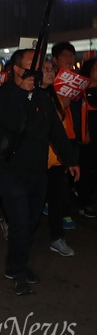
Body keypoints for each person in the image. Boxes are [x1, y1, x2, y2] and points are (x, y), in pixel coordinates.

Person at [0, 49, 79, 296]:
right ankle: (18, 271)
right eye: (32, 65)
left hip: (36, 174)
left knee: (29, 223)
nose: (39, 69)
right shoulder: (5, 95)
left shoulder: (43, 98)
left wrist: (70, 159)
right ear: (18, 70)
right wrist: (22, 93)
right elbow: (10, 121)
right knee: (20, 221)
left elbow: (55, 132)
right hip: (10, 173)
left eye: (40, 64)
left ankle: (15, 262)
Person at [40, 59, 75, 256]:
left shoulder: (57, 95)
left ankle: (57, 238)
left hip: (55, 159)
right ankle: (13, 224)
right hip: (36, 159)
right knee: (31, 200)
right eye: (45, 69)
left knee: (56, 199)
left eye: (52, 69)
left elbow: (60, 128)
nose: (50, 72)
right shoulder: (30, 95)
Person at [72, 58, 97, 218]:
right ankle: (83, 202)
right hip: (88, 138)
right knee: (87, 170)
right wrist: (84, 133)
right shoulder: (81, 90)